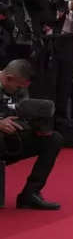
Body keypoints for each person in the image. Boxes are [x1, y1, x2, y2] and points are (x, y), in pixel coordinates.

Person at [0, 59, 63, 210]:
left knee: (53, 139)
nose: (19, 90)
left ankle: (30, 194)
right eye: (18, 86)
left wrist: (36, 124)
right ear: (8, 78)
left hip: (13, 138)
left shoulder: (20, 89)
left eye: (23, 87)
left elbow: (23, 111)